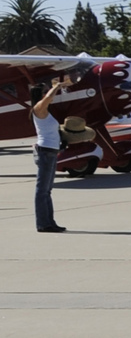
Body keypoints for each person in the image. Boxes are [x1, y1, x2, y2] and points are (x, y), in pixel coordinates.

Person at [29, 75, 74, 233]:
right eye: (45, 91)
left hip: (51, 151)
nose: (49, 93)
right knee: (42, 189)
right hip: (45, 151)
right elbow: (48, 97)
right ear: (40, 95)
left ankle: (49, 222)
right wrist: (58, 85)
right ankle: (43, 223)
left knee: (47, 190)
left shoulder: (45, 111)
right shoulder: (38, 108)